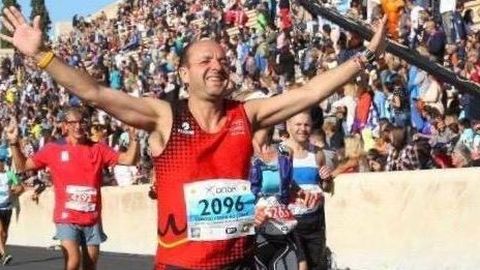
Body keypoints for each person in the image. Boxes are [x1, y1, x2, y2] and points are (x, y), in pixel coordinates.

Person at [0, 7, 387, 269]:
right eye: (205, 61)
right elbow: (95, 93)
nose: (217, 65)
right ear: (184, 74)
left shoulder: (246, 114)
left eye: (222, 60)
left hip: (238, 261)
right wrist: (44, 56)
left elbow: (308, 94)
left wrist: (366, 56)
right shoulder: (164, 115)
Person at [6, 107, 139, 270]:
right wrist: (13, 143)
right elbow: (23, 166)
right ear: (65, 126)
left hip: (92, 218)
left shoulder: (98, 148)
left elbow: (129, 160)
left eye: (82, 122)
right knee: (73, 262)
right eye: (73, 123)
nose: (78, 126)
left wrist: (134, 139)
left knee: (90, 265)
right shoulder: (53, 149)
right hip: (66, 218)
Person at [284, 112, 334, 270]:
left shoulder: (318, 153)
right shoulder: (280, 152)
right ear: (288, 126)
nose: (302, 129)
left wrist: (326, 179)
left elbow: (325, 187)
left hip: (315, 221)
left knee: (316, 265)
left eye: (306, 125)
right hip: (290, 223)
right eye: (298, 124)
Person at [0, 159, 23, 265]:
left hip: (7, 207)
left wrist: (15, 191)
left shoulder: (9, 174)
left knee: (4, 233)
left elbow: (20, 186)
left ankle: (1, 252)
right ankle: (4, 254)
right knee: (0, 231)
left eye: (1, 162)